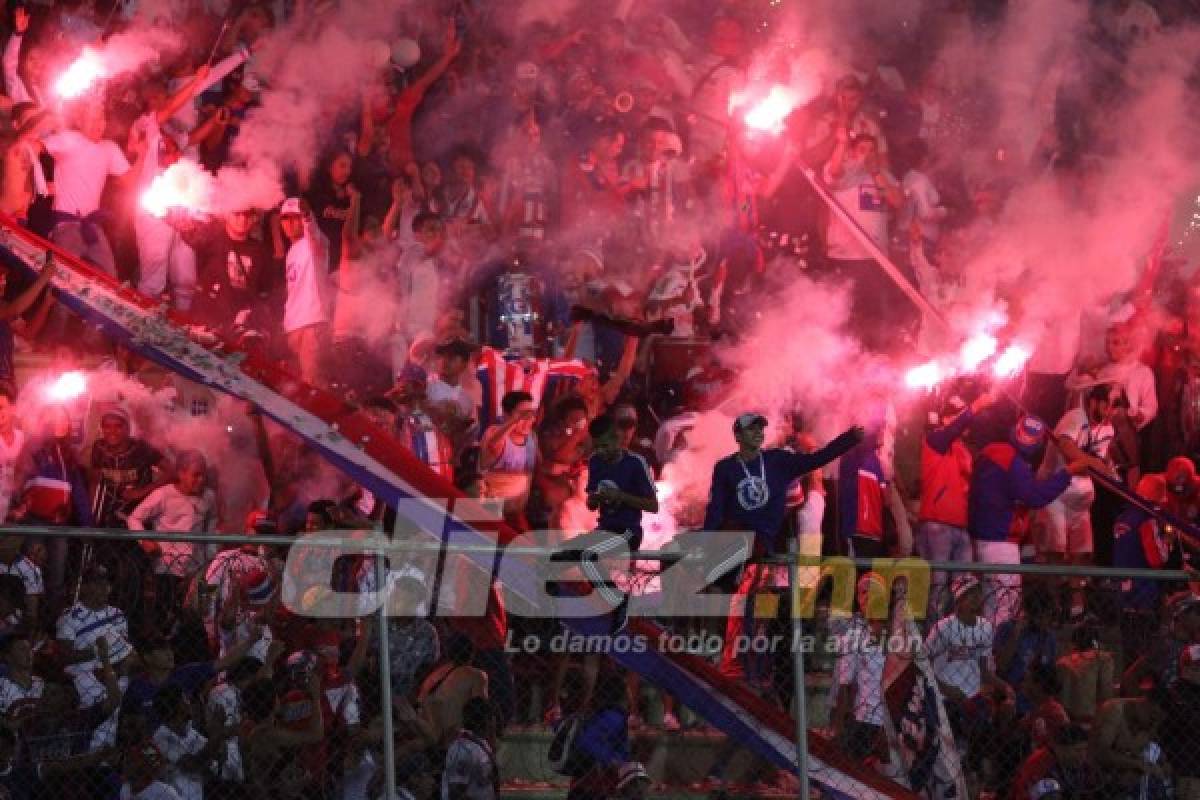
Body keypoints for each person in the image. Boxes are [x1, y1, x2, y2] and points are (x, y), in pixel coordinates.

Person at [703, 413, 862, 681]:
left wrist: (848, 440)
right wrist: (707, 544)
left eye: (760, 428)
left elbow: (817, 459)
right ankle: (726, 659)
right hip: (733, 543)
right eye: (751, 429)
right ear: (738, 436)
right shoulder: (725, 468)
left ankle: (748, 666)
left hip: (762, 546)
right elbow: (715, 510)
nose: (758, 433)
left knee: (754, 608)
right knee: (733, 602)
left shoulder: (777, 461)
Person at [968, 415, 1097, 627]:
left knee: (988, 605)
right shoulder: (1015, 464)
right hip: (1001, 542)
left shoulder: (991, 451)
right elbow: (1034, 497)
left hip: (978, 538)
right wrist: (1067, 473)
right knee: (1004, 610)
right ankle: (995, 657)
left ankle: (983, 653)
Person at [918, 392, 993, 619]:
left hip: (960, 525)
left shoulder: (961, 449)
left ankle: (959, 635)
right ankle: (935, 638)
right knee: (939, 583)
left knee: (964, 586)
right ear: (946, 419)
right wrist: (976, 404)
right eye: (957, 416)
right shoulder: (934, 441)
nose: (963, 421)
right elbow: (953, 430)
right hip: (938, 523)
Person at [127, 450, 218, 625]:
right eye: (196, 475)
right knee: (165, 616)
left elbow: (212, 524)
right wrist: (144, 541)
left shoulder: (209, 496)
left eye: (203, 475)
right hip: (167, 567)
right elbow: (134, 518)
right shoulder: (164, 495)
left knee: (196, 618)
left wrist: (211, 557)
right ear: (181, 474)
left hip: (197, 568)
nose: (201, 480)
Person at [276, 197, 330, 386]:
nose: (290, 223)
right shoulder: (292, 251)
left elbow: (313, 233)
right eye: (286, 218)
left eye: (295, 217)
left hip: (312, 322)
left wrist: (308, 216)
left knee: (312, 382)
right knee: (296, 383)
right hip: (293, 326)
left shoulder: (316, 243)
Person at [1088, 690, 1170, 799]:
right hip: (1098, 780)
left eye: (1157, 720)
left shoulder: (1149, 724)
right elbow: (1100, 753)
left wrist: (1162, 765)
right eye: (1153, 716)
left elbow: (1154, 752)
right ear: (1144, 702)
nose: (1154, 723)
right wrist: (1137, 764)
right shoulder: (1114, 711)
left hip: (1126, 783)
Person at [480, 390, 539, 525]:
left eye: (531, 414)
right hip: (492, 515)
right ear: (507, 415)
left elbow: (529, 475)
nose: (530, 419)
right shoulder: (494, 433)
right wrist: (515, 421)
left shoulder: (532, 437)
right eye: (524, 415)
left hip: (517, 514)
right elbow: (492, 446)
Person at [1009, 724, 1091, 800]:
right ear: (1061, 748)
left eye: (1085, 749)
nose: (1083, 755)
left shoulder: (1080, 763)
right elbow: (1023, 794)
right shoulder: (1041, 762)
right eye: (1078, 750)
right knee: (1051, 788)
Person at [442, 696, 498, 800]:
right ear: (488, 719)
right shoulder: (463, 749)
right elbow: (456, 793)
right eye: (493, 718)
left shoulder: (480, 743)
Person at [1163, 644, 1200, 800]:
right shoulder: (1177, 692)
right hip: (1187, 768)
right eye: (1197, 666)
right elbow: (1190, 723)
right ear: (1186, 667)